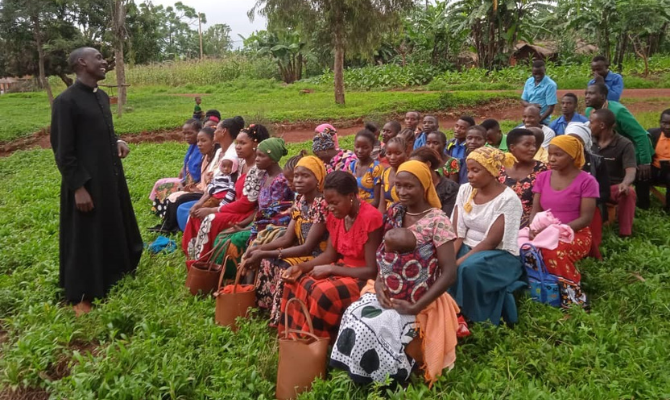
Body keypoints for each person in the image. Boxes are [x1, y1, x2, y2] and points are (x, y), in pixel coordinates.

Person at [330, 161, 460, 385]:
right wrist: (379, 284)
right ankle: (363, 371)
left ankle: (395, 377)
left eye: (409, 186)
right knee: (355, 313)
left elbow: (449, 273)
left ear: (425, 186)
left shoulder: (438, 220)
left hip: (421, 297)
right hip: (388, 288)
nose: (402, 192)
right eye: (398, 185)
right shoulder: (395, 211)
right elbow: (384, 256)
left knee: (383, 323)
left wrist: (416, 306)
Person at [50, 47, 143, 316]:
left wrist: (117, 141)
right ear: (82, 63)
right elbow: (63, 150)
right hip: (86, 183)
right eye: (98, 58)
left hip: (108, 177)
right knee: (85, 236)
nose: (104, 62)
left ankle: (113, 275)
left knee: (111, 225)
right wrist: (78, 187)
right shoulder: (65, 102)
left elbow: (100, 133)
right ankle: (82, 294)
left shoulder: (101, 96)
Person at [279, 171, 383, 341]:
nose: (331, 208)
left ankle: (315, 343)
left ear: (351, 196)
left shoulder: (370, 218)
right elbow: (329, 255)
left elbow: (371, 271)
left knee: (322, 292)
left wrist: (332, 268)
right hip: (343, 269)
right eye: (328, 203)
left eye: (335, 202)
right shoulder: (337, 216)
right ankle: (293, 339)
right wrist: (300, 267)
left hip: (364, 278)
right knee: (297, 281)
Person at [241, 156, 328, 326]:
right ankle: (264, 307)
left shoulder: (321, 205)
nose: (298, 180)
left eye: (305, 176)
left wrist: (264, 252)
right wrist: (258, 248)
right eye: (296, 176)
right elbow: (288, 238)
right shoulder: (300, 201)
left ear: (318, 177)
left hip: (316, 255)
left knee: (283, 266)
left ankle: (281, 319)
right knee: (266, 259)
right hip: (301, 249)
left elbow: (307, 248)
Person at [448, 147, 525, 325]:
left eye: (476, 170)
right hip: (468, 246)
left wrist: (458, 263)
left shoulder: (508, 200)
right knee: (439, 261)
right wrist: (450, 258)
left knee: (466, 268)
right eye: (469, 170)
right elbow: (457, 232)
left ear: (492, 172)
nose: (470, 175)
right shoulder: (465, 190)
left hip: (498, 254)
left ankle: (470, 316)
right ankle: (447, 311)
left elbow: (491, 241)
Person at [529, 136, 599, 308]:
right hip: (544, 230)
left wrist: (557, 231)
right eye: (550, 154)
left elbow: (586, 218)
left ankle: (574, 295)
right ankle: (541, 289)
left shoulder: (587, 181)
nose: (551, 158)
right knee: (523, 247)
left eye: (558, 155)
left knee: (554, 251)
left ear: (572, 156)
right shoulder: (543, 177)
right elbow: (535, 210)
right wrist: (533, 228)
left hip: (575, 233)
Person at [182, 125, 269, 259]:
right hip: (231, 204)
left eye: (243, 143)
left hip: (244, 213)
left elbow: (245, 204)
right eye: (237, 143)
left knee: (210, 218)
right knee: (196, 214)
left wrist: (214, 210)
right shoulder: (239, 163)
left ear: (255, 144)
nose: (238, 147)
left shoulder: (257, 170)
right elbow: (222, 183)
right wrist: (201, 203)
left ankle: (205, 260)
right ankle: (193, 256)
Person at [585, 83, 653, 208]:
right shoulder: (589, 111)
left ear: (603, 96)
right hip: (607, 148)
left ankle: (643, 205)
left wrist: (645, 161)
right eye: (586, 93)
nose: (587, 96)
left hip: (631, 148)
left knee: (640, 171)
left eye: (591, 93)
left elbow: (640, 135)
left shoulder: (618, 111)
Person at [174, 116, 245, 228]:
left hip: (220, 197)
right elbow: (211, 179)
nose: (214, 131)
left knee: (187, 208)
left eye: (217, 129)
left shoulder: (232, 156)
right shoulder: (220, 151)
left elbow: (227, 184)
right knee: (183, 207)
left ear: (224, 132)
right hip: (210, 191)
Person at [149, 127, 220, 234]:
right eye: (198, 141)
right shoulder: (205, 157)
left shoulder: (217, 159)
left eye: (203, 141)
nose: (199, 144)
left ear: (213, 142)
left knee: (178, 199)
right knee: (172, 195)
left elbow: (211, 185)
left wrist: (195, 188)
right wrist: (192, 186)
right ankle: (167, 224)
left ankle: (171, 227)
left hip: (207, 193)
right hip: (200, 188)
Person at [565, 122, 610, 259]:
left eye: (577, 141)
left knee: (591, 215)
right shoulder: (559, 162)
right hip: (564, 205)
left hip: (590, 205)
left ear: (584, 142)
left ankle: (589, 249)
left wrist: (585, 202)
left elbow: (605, 192)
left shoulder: (597, 161)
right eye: (570, 141)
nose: (573, 145)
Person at [590, 109, 637, 237]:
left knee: (628, 192)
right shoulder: (588, 141)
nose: (588, 126)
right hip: (588, 187)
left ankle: (625, 233)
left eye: (591, 122)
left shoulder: (624, 144)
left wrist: (625, 183)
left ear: (602, 126)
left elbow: (631, 169)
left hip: (611, 188)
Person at [149, 119, 203, 215]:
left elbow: (198, 175)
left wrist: (186, 183)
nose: (186, 136)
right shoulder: (192, 147)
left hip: (196, 186)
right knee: (160, 183)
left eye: (190, 133)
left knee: (164, 188)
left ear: (199, 131)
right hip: (187, 181)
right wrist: (183, 176)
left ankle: (162, 210)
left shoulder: (201, 149)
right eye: (184, 133)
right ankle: (157, 208)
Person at [498, 128, 547, 228]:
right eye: (527, 145)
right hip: (498, 220)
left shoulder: (543, 170)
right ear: (512, 147)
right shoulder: (499, 167)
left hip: (529, 224)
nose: (533, 149)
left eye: (534, 145)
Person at [410, 147, 459, 216]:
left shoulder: (450, 188)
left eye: (416, 166)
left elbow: (447, 217)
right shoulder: (414, 186)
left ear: (428, 164)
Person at [347, 129, 384, 207]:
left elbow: (377, 201)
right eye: (357, 146)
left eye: (365, 147)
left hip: (370, 209)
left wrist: (360, 210)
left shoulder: (376, 168)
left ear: (372, 148)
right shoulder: (352, 166)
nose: (360, 150)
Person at [645, 109, 670, 211]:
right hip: (655, 168)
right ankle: (643, 205)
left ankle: (668, 208)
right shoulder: (652, 133)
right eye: (664, 123)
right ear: (660, 122)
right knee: (640, 175)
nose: (668, 127)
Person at [521, 59, 558, 125]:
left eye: (540, 73)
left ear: (545, 70)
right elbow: (523, 101)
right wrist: (531, 105)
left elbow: (550, 108)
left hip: (542, 120)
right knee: (514, 133)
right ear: (532, 71)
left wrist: (538, 120)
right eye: (535, 74)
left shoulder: (550, 85)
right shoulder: (529, 81)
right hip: (528, 119)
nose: (537, 76)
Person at [379, 136, 408, 214]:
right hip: (388, 217)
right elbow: (382, 203)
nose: (392, 157)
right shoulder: (385, 172)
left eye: (398, 153)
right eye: (388, 153)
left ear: (406, 152)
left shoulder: (410, 174)